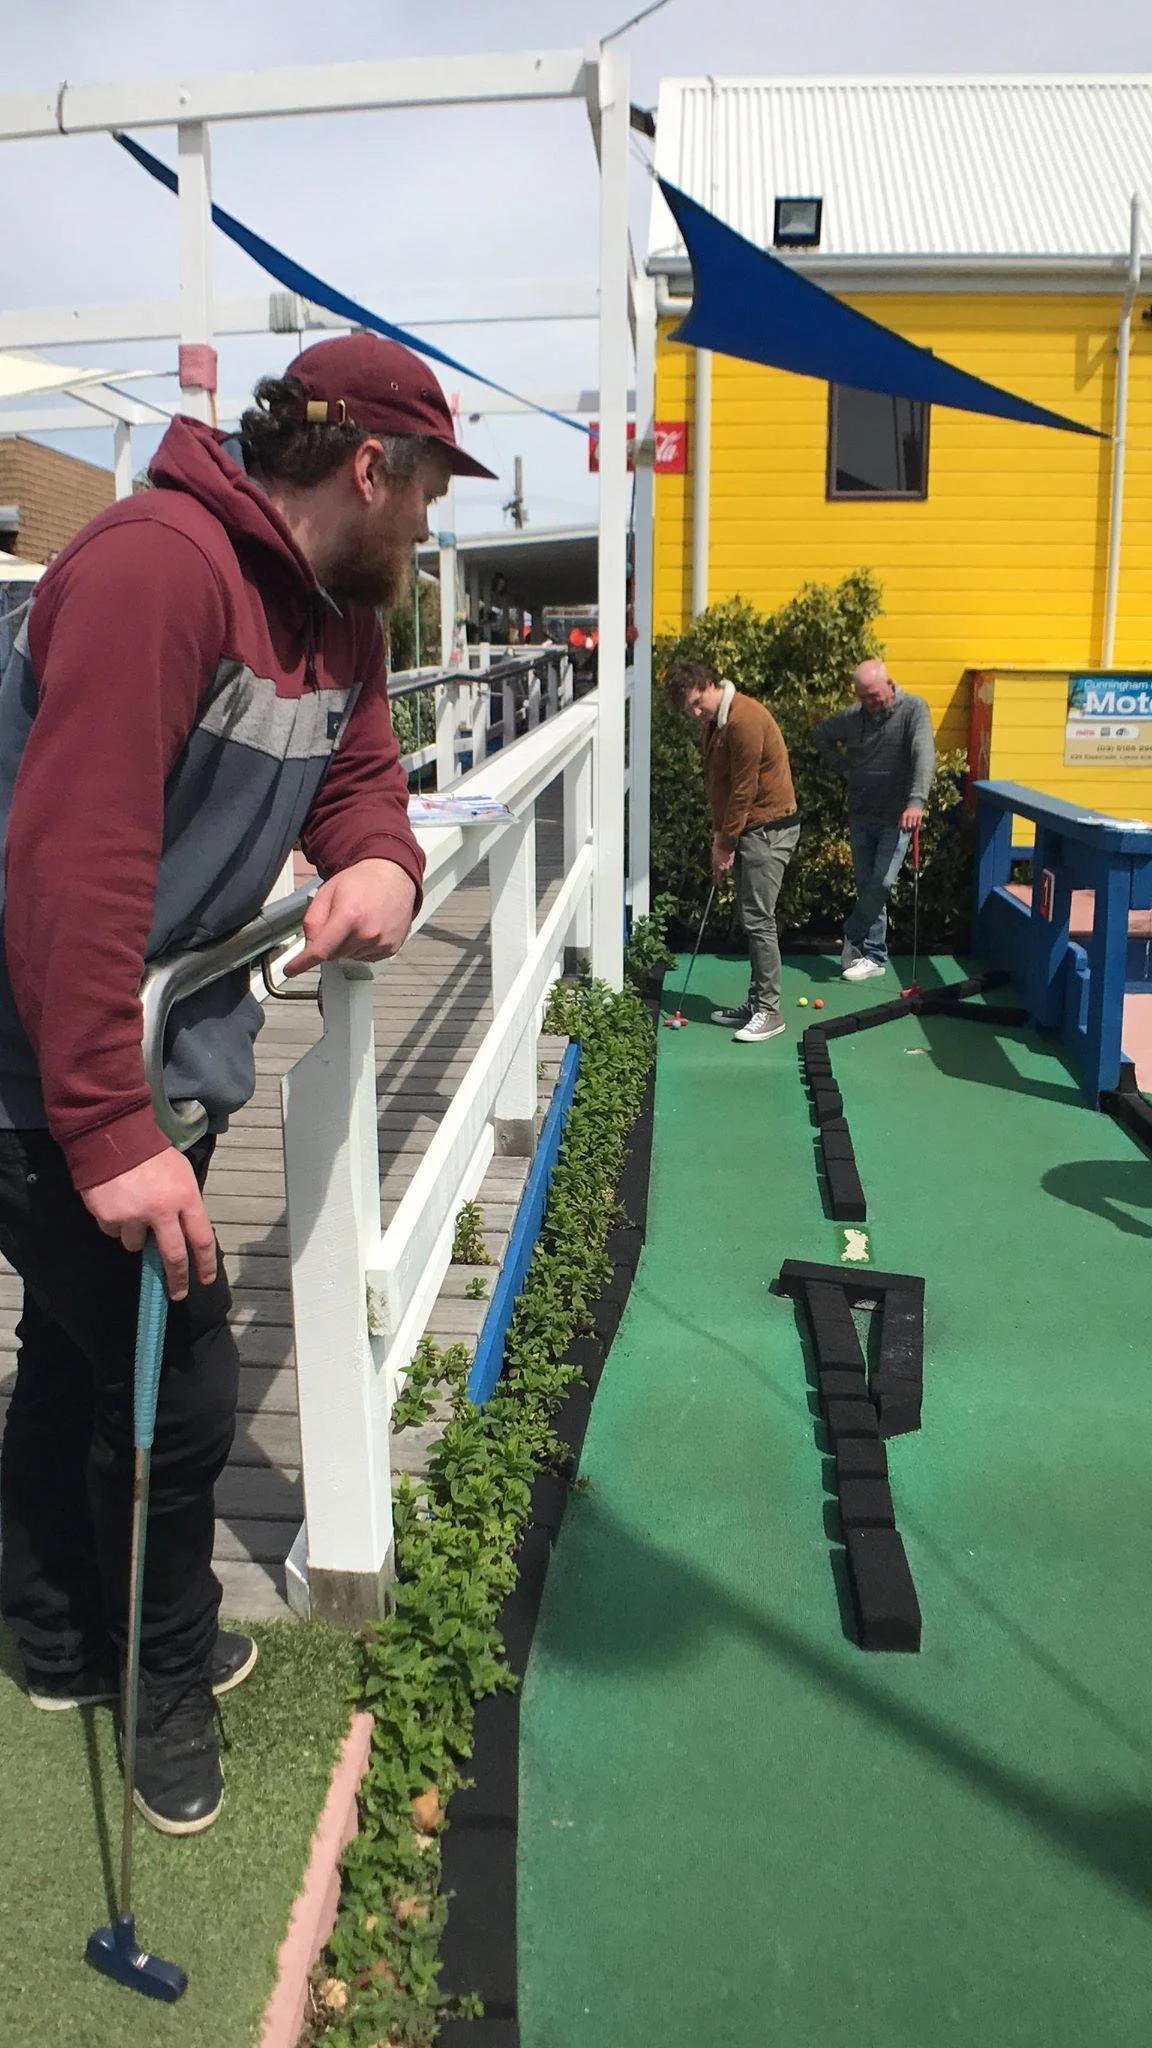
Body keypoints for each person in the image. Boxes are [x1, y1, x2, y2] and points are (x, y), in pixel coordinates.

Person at [0, 333, 494, 1836]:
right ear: (368, 467)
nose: (431, 524)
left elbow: (363, 788)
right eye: (426, 493)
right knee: (180, 1384)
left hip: (157, 1062)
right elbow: (71, 866)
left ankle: (49, 1633)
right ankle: (156, 1682)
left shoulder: (338, 616)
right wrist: (105, 1128)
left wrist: (384, 867)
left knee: (86, 1357)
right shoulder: (159, 569)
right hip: (48, 1077)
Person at [665, 661, 800, 1042]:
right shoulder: (714, 723)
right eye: (687, 709)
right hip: (749, 828)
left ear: (710, 685)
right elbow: (719, 787)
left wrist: (726, 842)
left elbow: (744, 788)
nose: (694, 713)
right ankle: (757, 1002)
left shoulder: (745, 719)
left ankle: (770, 1012)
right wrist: (717, 837)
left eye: (696, 703)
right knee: (751, 915)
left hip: (770, 828)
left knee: (759, 918)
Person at [812, 658, 935, 982]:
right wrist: (844, 768)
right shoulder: (854, 718)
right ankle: (873, 955)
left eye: (873, 695)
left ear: (888, 684)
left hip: (897, 818)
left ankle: (852, 934)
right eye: (863, 697)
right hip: (861, 815)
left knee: (881, 882)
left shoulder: (914, 710)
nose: (869, 703)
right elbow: (821, 735)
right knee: (867, 886)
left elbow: (924, 754)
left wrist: (916, 802)